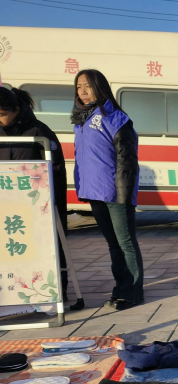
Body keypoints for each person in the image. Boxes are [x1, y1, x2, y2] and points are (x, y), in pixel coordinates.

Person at [72, 69, 144, 311]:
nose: (82, 91)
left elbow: (127, 159)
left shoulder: (116, 118)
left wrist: (124, 193)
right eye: (79, 86)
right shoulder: (81, 120)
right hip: (95, 192)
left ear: (99, 87)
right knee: (113, 244)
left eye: (87, 86)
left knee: (126, 243)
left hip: (115, 191)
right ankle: (120, 288)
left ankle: (133, 293)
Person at [0, 87, 69, 302]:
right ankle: (10, 296)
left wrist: (47, 200)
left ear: (16, 109)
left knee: (44, 247)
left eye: (2, 114)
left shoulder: (39, 131)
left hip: (35, 207)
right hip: (5, 206)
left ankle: (55, 294)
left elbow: (56, 169)